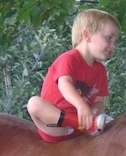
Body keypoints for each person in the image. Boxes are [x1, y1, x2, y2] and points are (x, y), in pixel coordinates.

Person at [27, 9, 120, 143]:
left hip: (82, 127)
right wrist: (81, 105)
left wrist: (92, 112)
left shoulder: (100, 71)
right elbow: (64, 84)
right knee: (34, 104)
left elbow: (99, 102)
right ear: (87, 34)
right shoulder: (68, 59)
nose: (112, 46)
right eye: (109, 38)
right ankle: (86, 125)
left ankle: (86, 125)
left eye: (115, 42)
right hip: (56, 127)